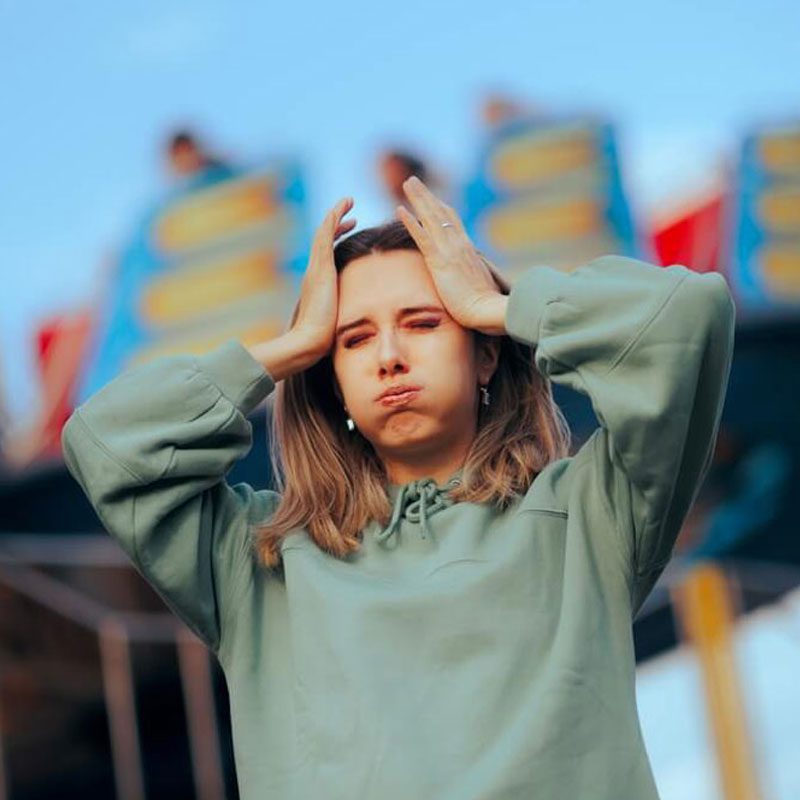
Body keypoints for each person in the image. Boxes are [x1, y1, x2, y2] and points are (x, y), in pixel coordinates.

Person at [62, 176, 735, 799]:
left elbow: (685, 319)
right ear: (331, 379)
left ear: (485, 353)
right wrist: (290, 347)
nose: (388, 356)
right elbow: (107, 444)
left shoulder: (592, 511)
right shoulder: (259, 563)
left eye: (423, 322)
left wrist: (497, 304)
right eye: (352, 340)